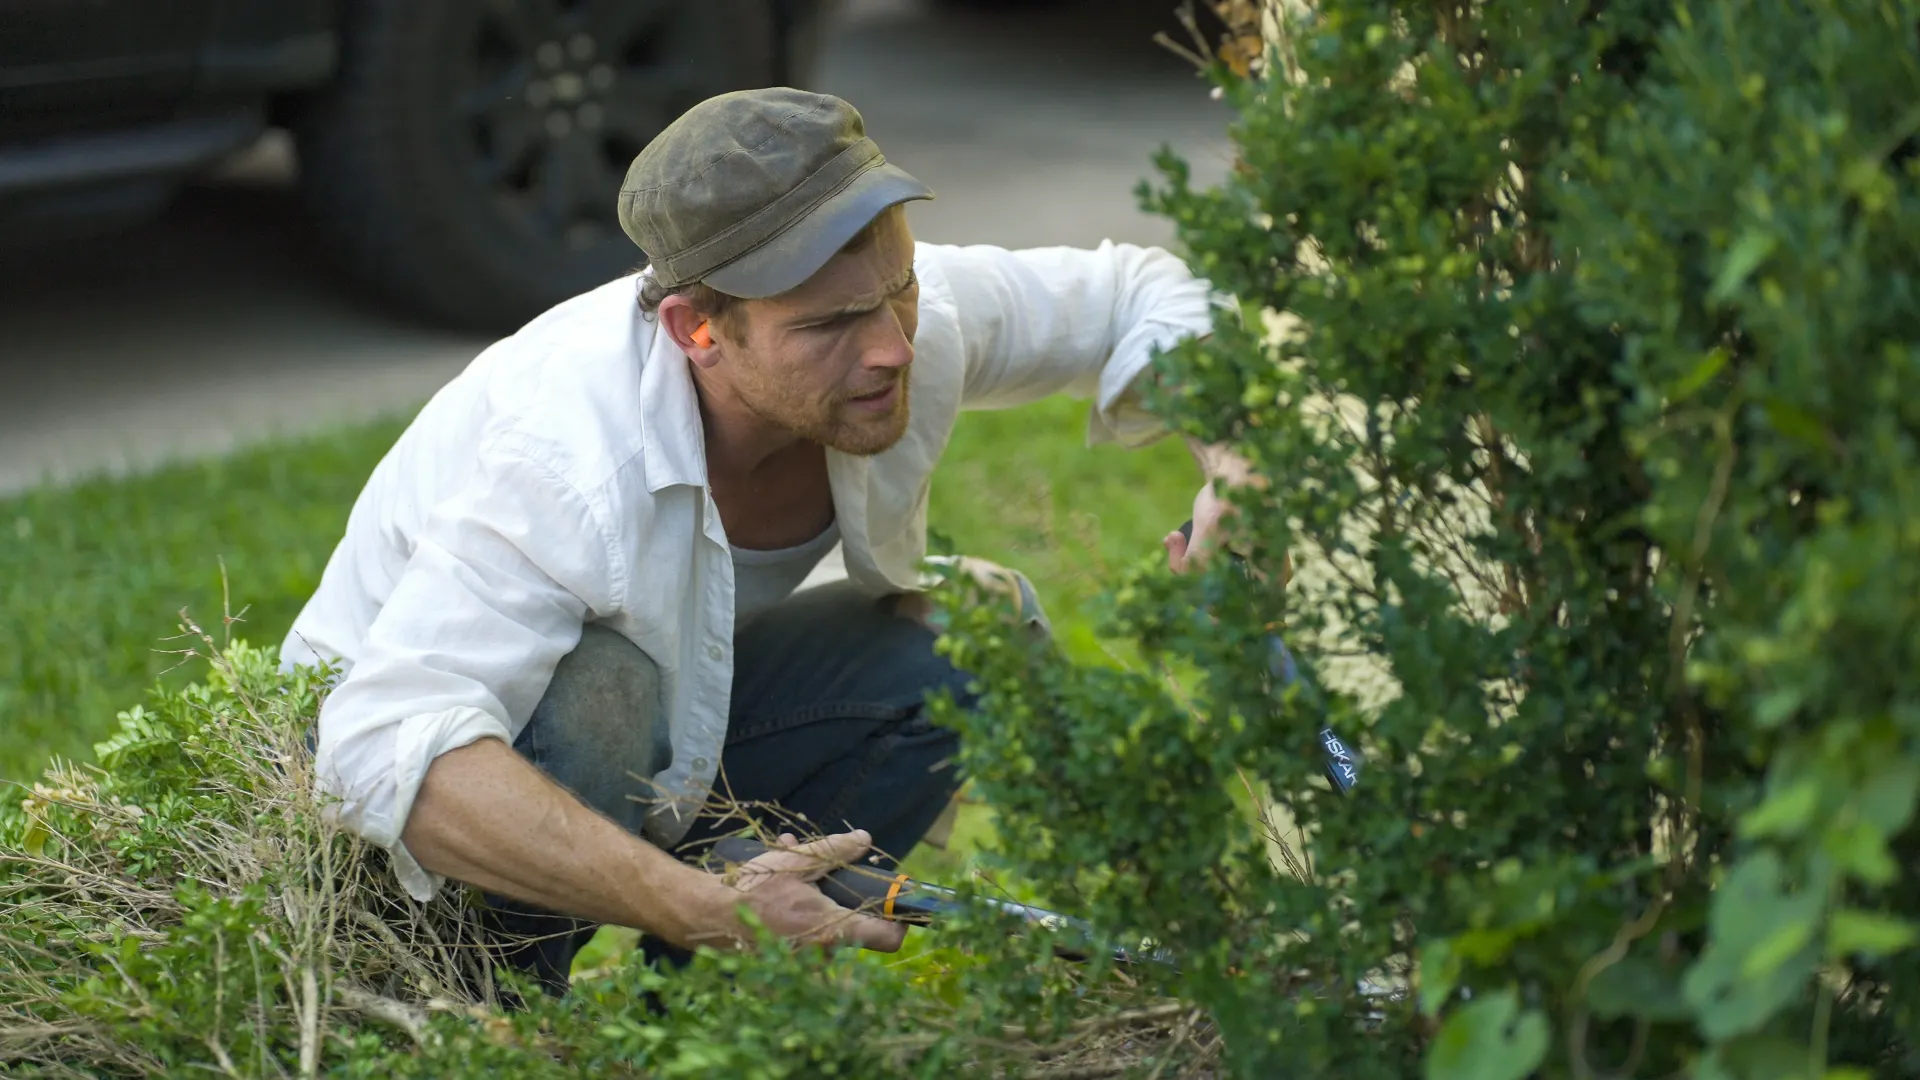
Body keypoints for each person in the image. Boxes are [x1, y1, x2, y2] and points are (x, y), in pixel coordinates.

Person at [281, 87, 1256, 998]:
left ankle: (715, 1012)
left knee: (968, 637)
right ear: (697, 330)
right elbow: (379, 746)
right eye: (832, 324)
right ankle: (492, 1013)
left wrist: (1237, 466)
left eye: (898, 290)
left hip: (676, 730)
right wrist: (701, 907)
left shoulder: (901, 321)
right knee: (603, 694)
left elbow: (1139, 291)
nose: (891, 348)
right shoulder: (565, 459)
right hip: (413, 828)